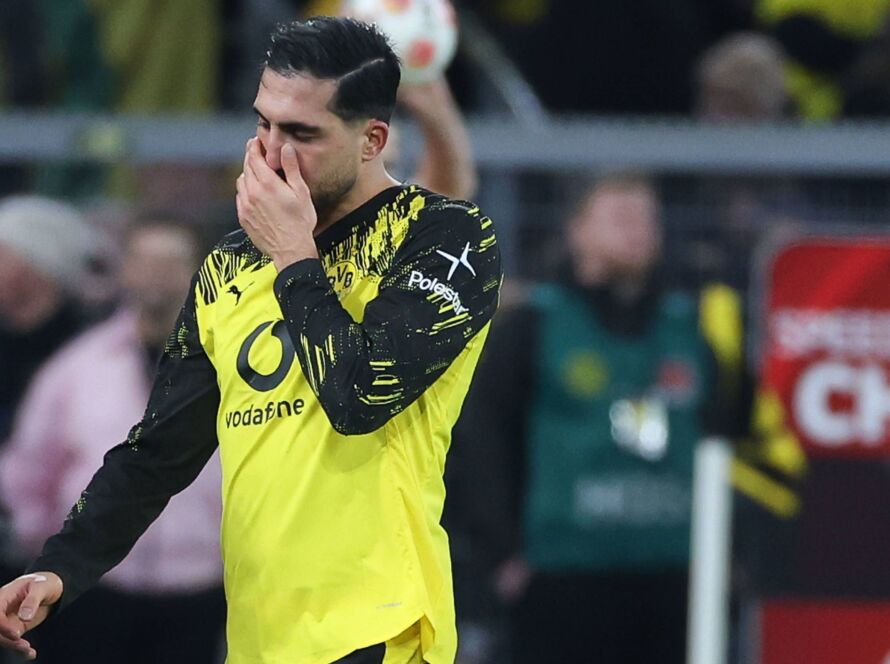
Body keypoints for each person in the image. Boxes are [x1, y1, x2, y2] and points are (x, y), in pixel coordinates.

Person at [0, 16, 501, 664]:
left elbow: (362, 394)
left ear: (372, 140)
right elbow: (159, 450)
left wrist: (293, 254)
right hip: (259, 639)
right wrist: (61, 567)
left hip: (380, 629)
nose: (270, 152)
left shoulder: (443, 236)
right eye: (264, 124)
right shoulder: (230, 266)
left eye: (301, 134)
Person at [451, 174, 718, 664]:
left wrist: (730, 558)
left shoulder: (690, 328)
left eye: (647, 219)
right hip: (560, 579)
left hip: (673, 577)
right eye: (620, 217)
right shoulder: (533, 326)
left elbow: (731, 436)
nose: (638, 231)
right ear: (577, 231)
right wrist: (502, 552)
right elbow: (482, 442)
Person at [0, 219, 225, 664]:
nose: (157, 274)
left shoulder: (238, 366)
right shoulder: (78, 366)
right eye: (145, 260)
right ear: (124, 269)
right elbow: (28, 473)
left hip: (199, 587)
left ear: (199, 271)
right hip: (93, 589)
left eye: (171, 261)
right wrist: (48, 559)